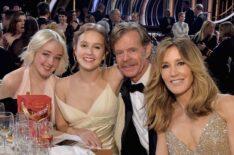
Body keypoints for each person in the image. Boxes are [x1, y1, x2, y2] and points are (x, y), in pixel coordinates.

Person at [145, 38, 234, 154]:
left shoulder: (227, 105)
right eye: (165, 66)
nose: (173, 73)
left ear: (193, 66)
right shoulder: (164, 117)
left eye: (181, 63)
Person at [55, 23, 123, 154]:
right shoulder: (61, 85)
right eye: (84, 45)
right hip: (72, 151)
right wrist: (79, 132)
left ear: (104, 53)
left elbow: (140, 64)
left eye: (97, 47)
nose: (89, 52)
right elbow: (61, 126)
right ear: (75, 49)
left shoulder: (115, 75)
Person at [0, 29, 69, 123]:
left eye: (57, 58)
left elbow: (63, 127)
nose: (51, 62)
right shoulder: (12, 81)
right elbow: (2, 125)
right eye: (46, 54)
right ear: (33, 51)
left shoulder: (60, 86)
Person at [110, 22, 156, 155]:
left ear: (147, 50)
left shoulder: (168, 84)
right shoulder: (121, 87)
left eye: (132, 50)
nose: (125, 58)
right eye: (119, 53)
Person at [206, 21, 234, 94]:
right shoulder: (225, 41)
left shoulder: (227, 42)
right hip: (217, 69)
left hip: (219, 72)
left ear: (226, 31)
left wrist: (205, 49)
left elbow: (217, 56)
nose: (219, 31)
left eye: (221, 30)